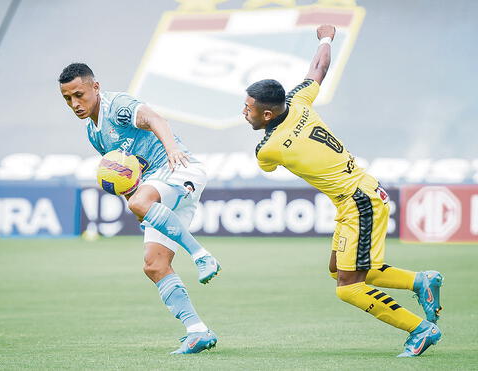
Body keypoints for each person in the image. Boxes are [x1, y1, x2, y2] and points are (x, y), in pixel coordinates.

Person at [242, 25, 443, 357]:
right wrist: (326, 38)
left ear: (266, 114)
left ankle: (420, 330)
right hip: (362, 193)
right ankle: (420, 281)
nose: (244, 112)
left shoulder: (268, 149)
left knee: (348, 288)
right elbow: (318, 69)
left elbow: (272, 162)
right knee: (340, 267)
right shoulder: (299, 100)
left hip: (358, 202)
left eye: (248, 108)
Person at [59, 63, 219, 354]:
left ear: (95, 87)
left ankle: (201, 255)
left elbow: (155, 119)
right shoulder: (94, 133)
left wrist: (171, 149)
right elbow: (123, 176)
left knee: (140, 203)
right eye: (68, 99)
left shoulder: (117, 105)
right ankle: (198, 331)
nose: (74, 104)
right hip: (158, 188)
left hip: (178, 169)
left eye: (79, 95)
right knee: (154, 265)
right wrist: (137, 207)